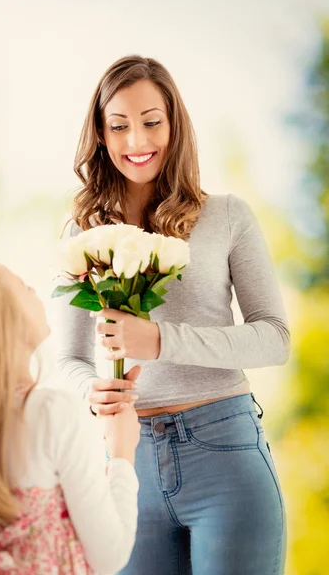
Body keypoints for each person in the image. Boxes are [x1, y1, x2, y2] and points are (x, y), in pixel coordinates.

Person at [55, 55, 291, 575]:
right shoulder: (82, 232)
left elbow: (275, 338)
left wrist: (160, 340)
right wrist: (91, 394)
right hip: (127, 462)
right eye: (118, 126)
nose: (136, 141)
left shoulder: (226, 215)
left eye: (151, 121)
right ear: (100, 134)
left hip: (225, 451)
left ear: (174, 124)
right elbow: (67, 359)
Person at [0, 257, 140, 575]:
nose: (34, 290)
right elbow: (110, 555)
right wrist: (122, 452)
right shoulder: (50, 412)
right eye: (23, 286)